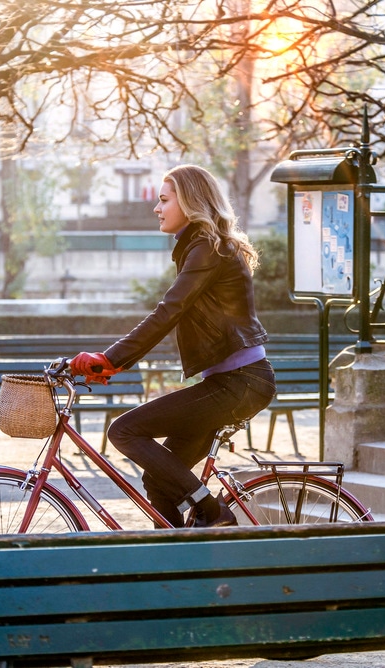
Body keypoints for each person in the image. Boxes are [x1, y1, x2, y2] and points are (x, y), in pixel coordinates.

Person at [69, 164, 276, 528]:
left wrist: (111, 358)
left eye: (164, 200)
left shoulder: (209, 248)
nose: (157, 207)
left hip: (240, 383)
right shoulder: (202, 246)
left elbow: (169, 311)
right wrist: (114, 363)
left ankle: (214, 513)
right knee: (159, 480)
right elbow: (175, 314)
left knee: (123, 431)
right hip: (232, 383)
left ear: (191, 202)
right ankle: (181, 562)